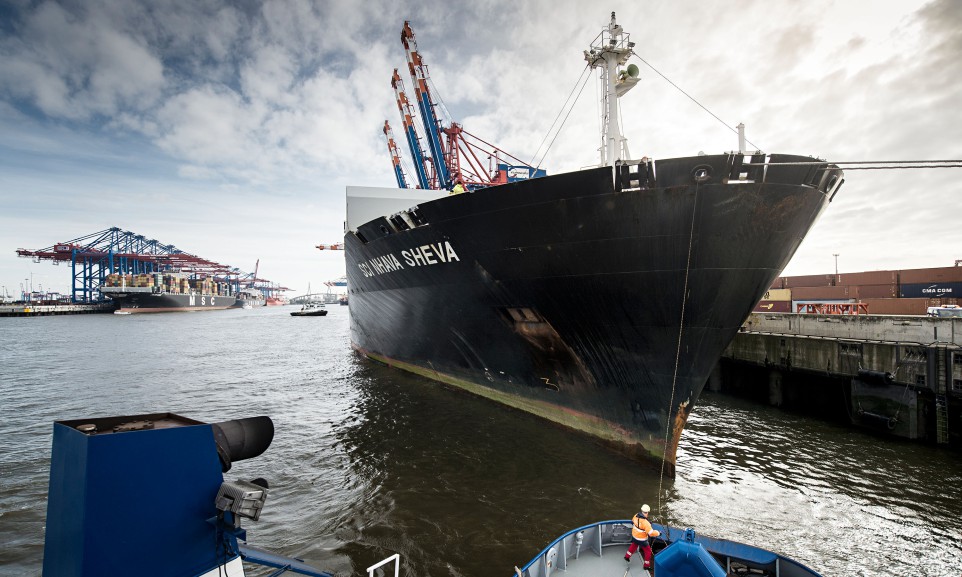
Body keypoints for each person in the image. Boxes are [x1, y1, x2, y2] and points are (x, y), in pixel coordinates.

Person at [624, 504, 660, 568]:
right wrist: (658, 533)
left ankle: (627, 556)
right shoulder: (646, 523)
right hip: (642, 540)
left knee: (633, 546)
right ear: (647, 512)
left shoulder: (636, 516)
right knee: (648, 551)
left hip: (634, 536)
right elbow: (651, 533)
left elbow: (633, 521)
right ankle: (646, 565)